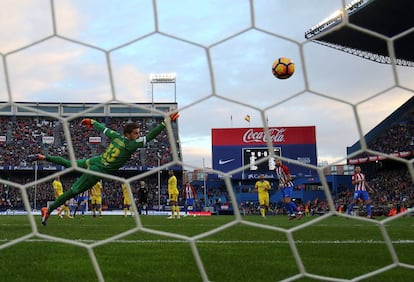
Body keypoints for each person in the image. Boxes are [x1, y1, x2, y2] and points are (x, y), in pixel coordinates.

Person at [28, 113, 179, 226]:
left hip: (96, 160)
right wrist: (165, 124)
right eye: (136, 133)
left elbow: (104, 129)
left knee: (70, 163)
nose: (139, 135)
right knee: (72, 192)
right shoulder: (131, 144)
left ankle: (43, 157)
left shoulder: (117, 136)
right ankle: (48, 210)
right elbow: (151, 136)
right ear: (129, 134)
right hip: (97, 171)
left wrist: (92, 122)